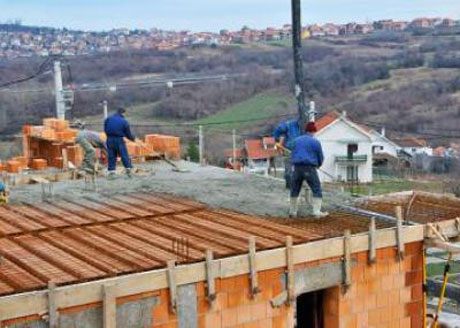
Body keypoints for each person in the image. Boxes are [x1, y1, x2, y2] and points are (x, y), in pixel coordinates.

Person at [289, 122, 328, 219]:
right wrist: (318, 165)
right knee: (316, 189)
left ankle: (293, 212)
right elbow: (320, 157)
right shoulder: (315, 142)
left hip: (297, 168)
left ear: (305, 130)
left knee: (295, 189)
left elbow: (292, 154)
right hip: (309, 168)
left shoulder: (296, 141)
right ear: (313, 131)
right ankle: (316, 212)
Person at [104, 107, 135, 178]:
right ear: (123, 113)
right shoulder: (124, 121)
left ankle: (112, 171)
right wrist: (133, 139)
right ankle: (128, 169)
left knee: (111, 155)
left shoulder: (108, 119)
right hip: (119, 139)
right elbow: (128, 133)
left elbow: (105, 129)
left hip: (109, 139)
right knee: (123, 154)